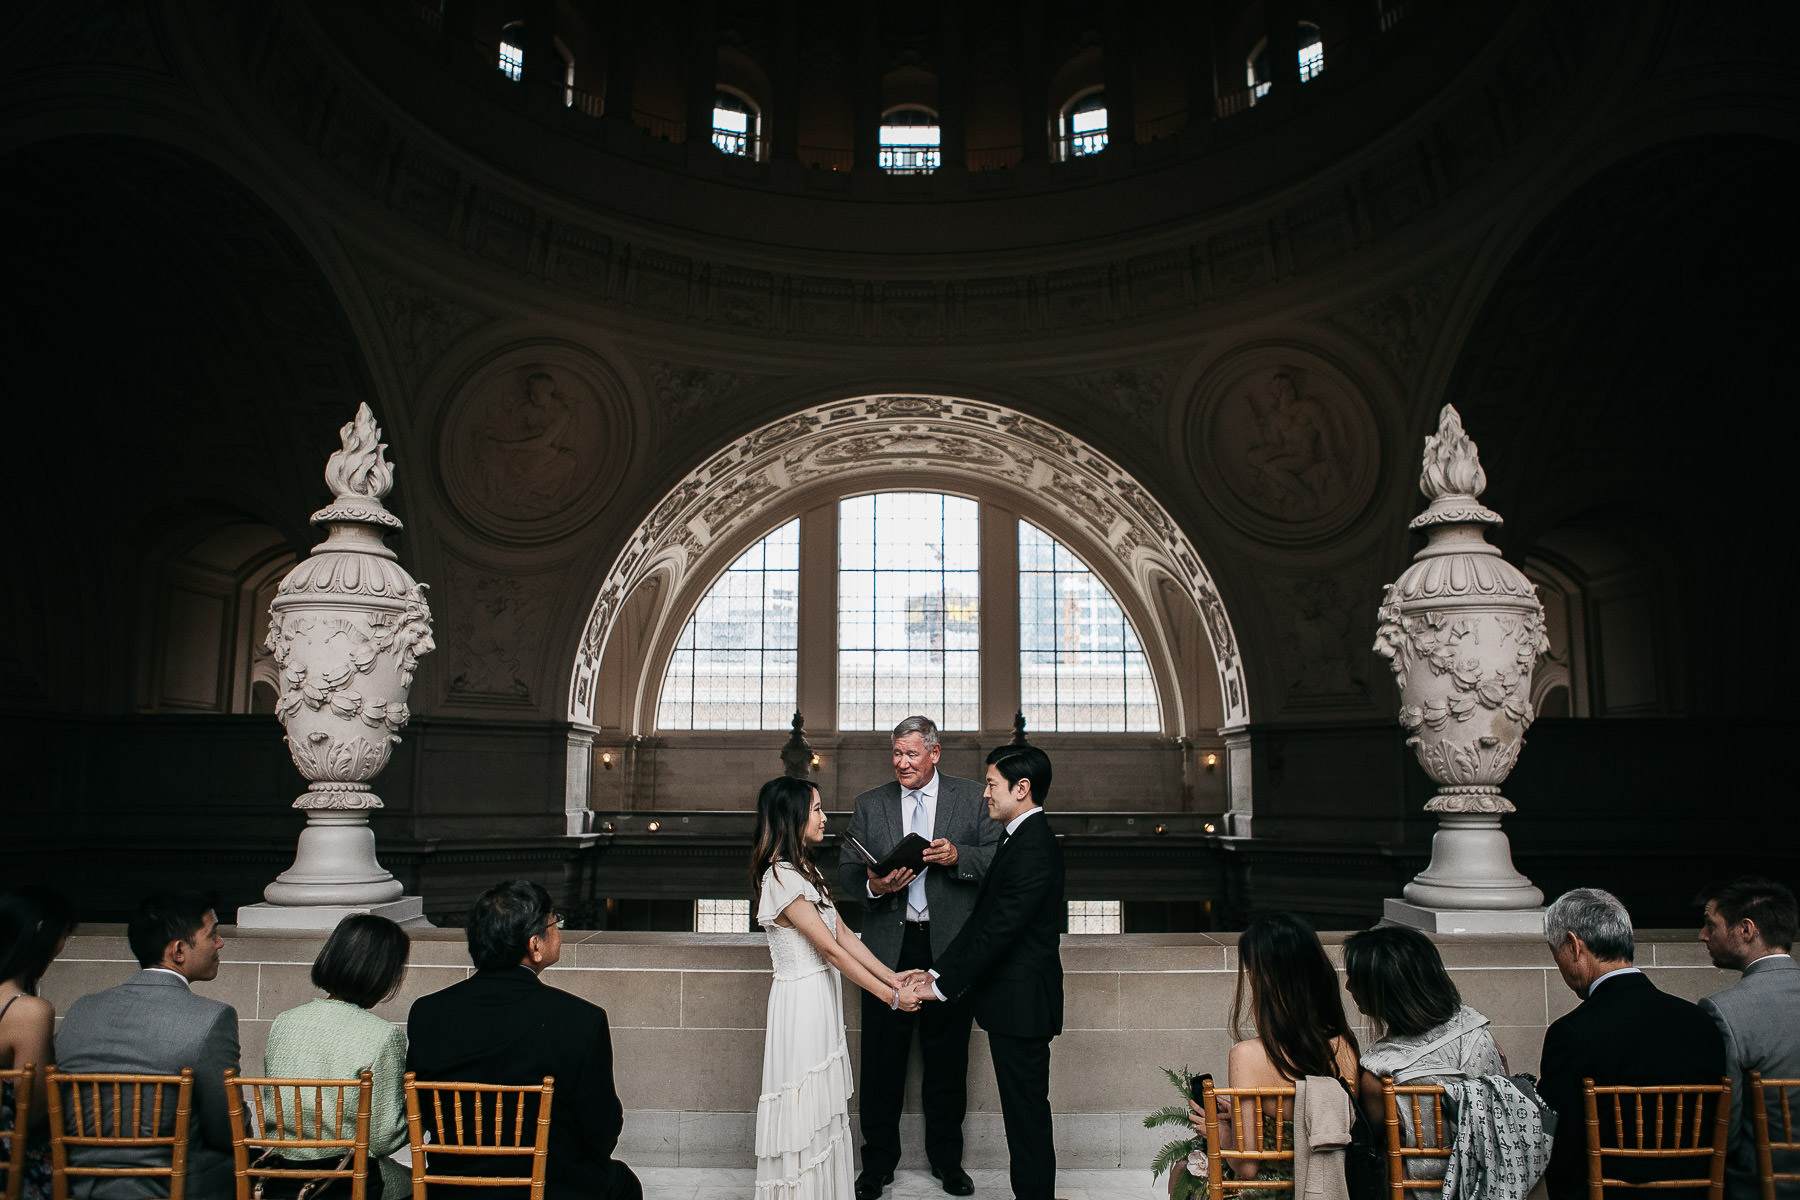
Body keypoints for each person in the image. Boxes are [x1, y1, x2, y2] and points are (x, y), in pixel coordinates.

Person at [837, 716, 998, 1200]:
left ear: (935, 752)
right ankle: (876, 1167)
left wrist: (959, 857)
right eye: (896, 753)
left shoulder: (973, 798)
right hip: (888, 948)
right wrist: (875, 885)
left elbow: (997, 857)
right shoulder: (870, 803)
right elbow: (847, 869)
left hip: (950, 947)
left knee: (947, 1059)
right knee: (881, 1062)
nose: (902, 763)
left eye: (911, 754)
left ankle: (948, 1163)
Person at [406, 881, 641, 1200]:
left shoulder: (427, 1012)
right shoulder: (581, 1019)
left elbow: (423, 1112)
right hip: (549, 1188)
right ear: (535, 945)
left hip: (451, 1188)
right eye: (554, 923)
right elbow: (601, 1131)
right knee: (623, 1183)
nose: (558, 932)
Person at [907, 744, 1065, 1200]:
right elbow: (981, 923)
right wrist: (936, 973)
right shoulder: (1016, 838)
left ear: (1022, 788)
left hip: (1023, 1005)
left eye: (992, 784)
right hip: (1011, 1004)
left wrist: (942, 988)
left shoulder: (1033, 846)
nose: (985, 794)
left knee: (1026, 1117)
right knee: (1022, 1115)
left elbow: (999, 931)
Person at [752, 776, 920, 1200]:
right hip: (800, 1002)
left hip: (819, 998)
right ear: (793, 817)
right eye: (816, 809)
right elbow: (829, 950)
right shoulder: (780, 877)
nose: (825, 817)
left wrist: (892, 975)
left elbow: (843, 934)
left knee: (822, 1108)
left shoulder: (804, 872)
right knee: (804, 1105)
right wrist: (891, 997)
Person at [1538, 887, 1726, 1200]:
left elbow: (1558, 1144)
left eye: (1555, 952)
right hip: (1693, 1192)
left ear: (1573, 945)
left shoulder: (1570, 1033)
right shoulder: (1700, 1023)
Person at [55, 890, 240, 1200]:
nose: (219, 942)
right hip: (171, 1188)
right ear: (178, 950)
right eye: (212, 934)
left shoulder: (80, 1010)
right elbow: (226, 1128)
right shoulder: (212, 1018)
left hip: (84, 1186)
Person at [1168, 913, 1360, 1200]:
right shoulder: (1344, 1046)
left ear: (1266, 984)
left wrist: (1219, 1132)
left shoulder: (1247, 1055)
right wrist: (1238, 1117)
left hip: (1269, 1193)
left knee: (1183, 1170)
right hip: (1330, 1187)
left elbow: (1246, 1167)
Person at [261, 914, 413, 1199]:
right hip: (346, 1181)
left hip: (280, 1177)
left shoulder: (283, 1022)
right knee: (420, 1184)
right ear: (382, 972)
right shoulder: (384, 1035)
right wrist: (419, 1116)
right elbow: (383, 1140)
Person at [1343, 924, 1506, 1180]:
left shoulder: (1378, 1077)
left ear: (1383, 991)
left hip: (1417, 1191)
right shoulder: (1480, 1034)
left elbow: (1367, 1150)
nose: (1348, 986)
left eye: (1355, 978)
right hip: (1494, 1182)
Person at [1695, 877, 1800, 1200]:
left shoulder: (1724, 1010)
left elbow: (1728, 1127)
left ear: (1746, 929)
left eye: (1711, 924)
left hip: (1764, 1185)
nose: (1703, 935)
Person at [0, 887, 77, 1200]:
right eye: (63, 935)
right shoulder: (29, 1011)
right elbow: (31, 1109)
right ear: (41, 931)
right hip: (11, 1171)